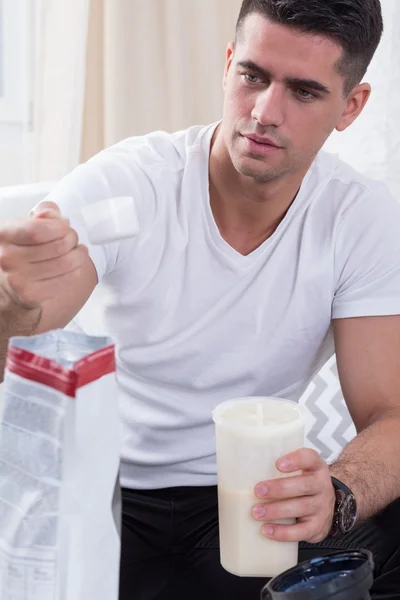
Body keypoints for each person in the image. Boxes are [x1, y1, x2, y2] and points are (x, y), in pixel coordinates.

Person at [1, 0, 400, 598]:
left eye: (305, 91)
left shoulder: (359, 217)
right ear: (228, 64)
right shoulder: (130, 182)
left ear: (352, 106)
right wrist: (14, 298)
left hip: (248, 500)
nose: (266, 112)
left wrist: (338, 493)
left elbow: (388, 415)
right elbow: (25, 332)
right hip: (106, 493)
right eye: (254, 76)